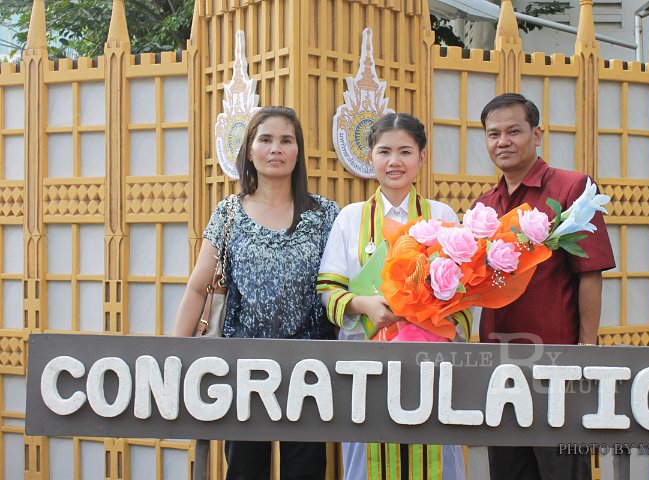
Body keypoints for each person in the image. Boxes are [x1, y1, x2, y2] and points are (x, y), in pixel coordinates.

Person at [173, 106, 339, 480]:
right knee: (246, 471)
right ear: (249, 150)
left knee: (307, 471)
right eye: (265, 140)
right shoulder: (229, 212)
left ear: (298, 152)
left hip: (310, 368)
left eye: (286, 140)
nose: (275, 149)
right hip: (243, 366)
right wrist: (174, 356)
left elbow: (340, 287)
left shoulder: (326, 213)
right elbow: (200, 286)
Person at [317, 113, 469, 479]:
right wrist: (368, 305)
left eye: (405, 151)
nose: (394, 161)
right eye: (384, 151)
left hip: (429, 363)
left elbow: (462, 294)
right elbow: (328, 289)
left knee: (436, 448)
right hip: (365, 361)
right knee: (366, 452)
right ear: (370, 156)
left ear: (422, 157)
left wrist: (429, 315)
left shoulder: (441, 214)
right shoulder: (350, 218)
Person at [474, 93, 615, 480]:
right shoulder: (485, 206)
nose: (503, 141)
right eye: (493, 134)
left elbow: (590, 272)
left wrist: (586, 351)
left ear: (537, 135)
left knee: (561, 470)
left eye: (513, 131)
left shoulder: (571, 190)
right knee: (508, 469)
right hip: (498, 365)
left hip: (557, 365)